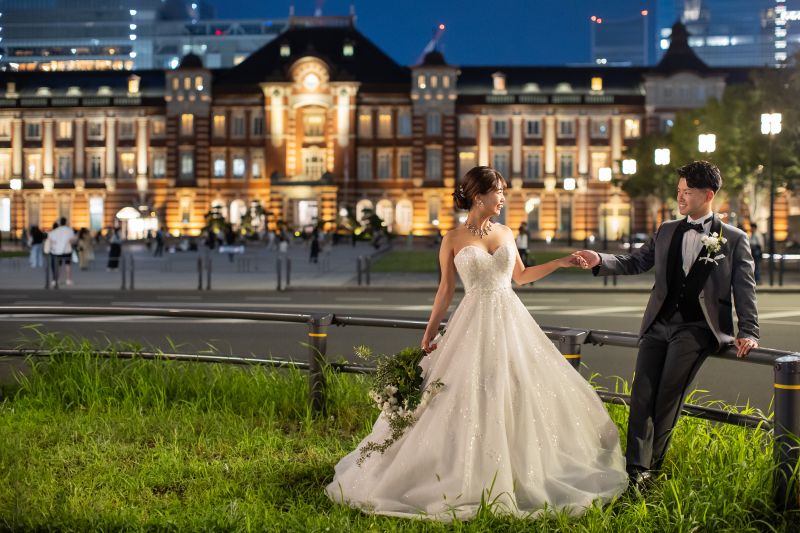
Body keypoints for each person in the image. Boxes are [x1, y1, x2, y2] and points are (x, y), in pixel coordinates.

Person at [326, 166, 627, 521]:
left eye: (503, 191)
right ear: (478, 195)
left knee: (515, 388)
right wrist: (429, 332)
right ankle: (455, 469)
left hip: (510, 319)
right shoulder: (452, 238)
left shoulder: (505, 231)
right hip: (470, 321)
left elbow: (521, 276)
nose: (503, 198)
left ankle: (519, 465)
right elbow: (446, 290)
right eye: (498, 191)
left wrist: (563, 261)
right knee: (461, 393)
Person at [576, 160, 759, 492]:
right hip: (658, 324)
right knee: (642, 395)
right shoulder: (667, 230)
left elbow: (744, 288)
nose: (681, 198)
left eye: (687, 192)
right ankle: (635, 470)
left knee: (667, 398)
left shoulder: (733, 239)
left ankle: (648, 469)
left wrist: (749, 331)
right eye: (679, 191)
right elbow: (636, 262)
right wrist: (600, 259)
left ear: (709, 194)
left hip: (697, 328)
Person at [48, 217, 77, 287]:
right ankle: (68, 280)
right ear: (66, 222)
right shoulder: (69, 230)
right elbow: (72, 241)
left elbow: (53, 240)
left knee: (58, 266)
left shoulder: (56, 230)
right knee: (68, 265)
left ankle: (56, 280)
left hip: (58, 251)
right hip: (67, 250)